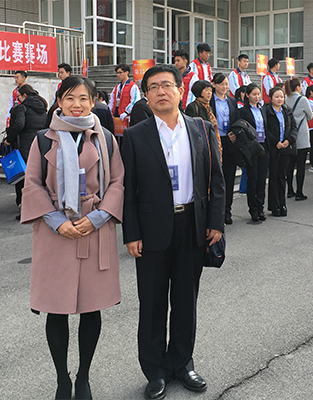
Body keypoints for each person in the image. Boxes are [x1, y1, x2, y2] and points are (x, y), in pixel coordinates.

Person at [121, 64, 224, 400]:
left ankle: (182, 363)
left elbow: (216, 178)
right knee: (152, 303)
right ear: (146, 96)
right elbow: (128, 188)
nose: (161, 92)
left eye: (167, 85)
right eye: (153, 87)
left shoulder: (201, 128)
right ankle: (155, 370)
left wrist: (216, 222)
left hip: (192, 225)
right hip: (151, 230)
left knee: (185, 300)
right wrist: (131, 233)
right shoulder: (135, 135)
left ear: (180, 90)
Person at [20, 75, 124, 400]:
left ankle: (83, 377)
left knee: (92, 308)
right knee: (57, 310)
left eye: (83, 98)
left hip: (94, 229)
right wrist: (55, 221)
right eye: (69, 98)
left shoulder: (106, 139)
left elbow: (118, 183)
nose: (76, 105)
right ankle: (61, 379)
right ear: (59, 102)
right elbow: (32, 184)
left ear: (92, 102)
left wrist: (97, 218)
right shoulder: (43, 139)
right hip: (57, 232)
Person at [4, 84, 49, 219]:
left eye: (19, 96)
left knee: (23, 176)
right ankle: (39, 205)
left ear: (24, 95)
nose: (18, 99)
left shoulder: (23, 108)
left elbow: (19, 124)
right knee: (38, 175)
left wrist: (9, 139)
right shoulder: (42, 107)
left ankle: (24, 207)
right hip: (40, 143)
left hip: (25, 145)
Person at [264, 86, 298, 216]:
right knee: (274, 177)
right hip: (273, 148)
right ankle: (274, 205)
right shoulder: (266, 111)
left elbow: (294, 128)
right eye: (276, 97)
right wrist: (275, 142)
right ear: (271, 98)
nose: (279, 99)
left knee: (282, 176)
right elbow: (265, 129)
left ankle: (282, 204)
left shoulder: (287, 110)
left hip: (286, 148)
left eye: (282, 97)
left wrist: (289, 140)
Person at [210, 73, 239, 225]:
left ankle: (227, 210)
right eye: (221, 84)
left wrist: (234, 132)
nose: (224, 87)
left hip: (229, 141)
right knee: (216, 177)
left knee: (229, 177)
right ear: (214, 84)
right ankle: (216, 212)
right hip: (215, 140)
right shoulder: (209, 101)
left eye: (226, 84)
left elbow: (236, 120)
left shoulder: (232, 101)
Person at [239, 84, 269, 222]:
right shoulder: (243, 111)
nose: (257, 97)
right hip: (251, 147)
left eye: (258, 94)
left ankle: (260, 206)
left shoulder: (262, 109)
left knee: (262, 178)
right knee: (253, 178)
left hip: (263, 146)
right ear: (247, 95)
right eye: (254, 94)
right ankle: (253, 209)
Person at [285, 77, 313, 201]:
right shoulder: (303, 99)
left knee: (289, 166)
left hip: (289, 136)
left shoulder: (285, 99)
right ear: (297, 87)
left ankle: (290, 190)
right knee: (300, 166)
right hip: (301, 135)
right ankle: (299, 192)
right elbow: (310, 115)